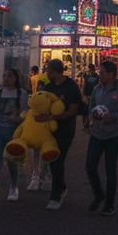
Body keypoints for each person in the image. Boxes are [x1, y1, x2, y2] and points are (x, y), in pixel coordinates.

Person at [86, 60, 118, 216]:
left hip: (114, 135)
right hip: (97, 133)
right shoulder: (97, 89)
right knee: (90, 166)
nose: (100, 75)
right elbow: (91, 106)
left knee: (110, 170)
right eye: (100, 72)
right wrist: (92, 118)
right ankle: (99, 194)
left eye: (103, 72)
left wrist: (111, 117)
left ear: (112, 74)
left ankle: (109, 203)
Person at [38, 58, 82, 210]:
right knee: (52, 160)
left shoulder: (71, 87)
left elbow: (73, 110)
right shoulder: (48, 87)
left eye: (48, 71)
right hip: (50, 130)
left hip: (65, 130)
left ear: (55, 71)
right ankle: (61, 187)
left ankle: (55, 196)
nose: (46, 73)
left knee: (57, 159)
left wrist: (53, 117)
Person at [0, 68, 28, 207]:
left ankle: (13, 186)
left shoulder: (22, 94)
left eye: (9, 76)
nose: (6, 79)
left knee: (11, 161)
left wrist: (16, 119)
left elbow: (25, 113)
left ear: (16, 78)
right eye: (4, 76)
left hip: (13, 131)